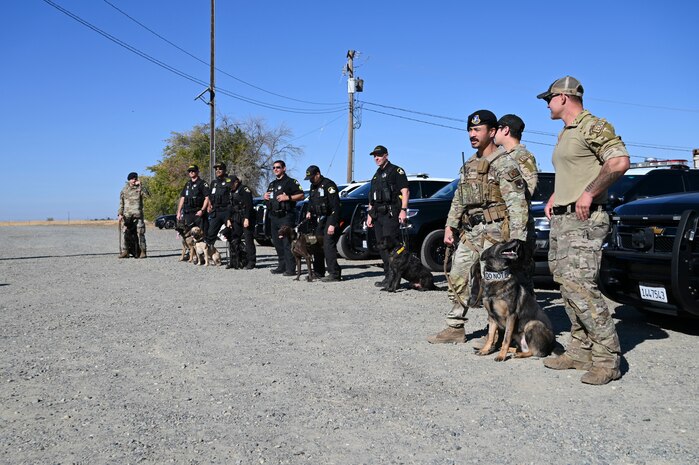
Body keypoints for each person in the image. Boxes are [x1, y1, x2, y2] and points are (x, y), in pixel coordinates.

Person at [537, 75, 629, 385]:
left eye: (548, 98)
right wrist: (556, 196)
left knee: (582, 288)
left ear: (563, 97)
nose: (546, 104)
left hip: (586, 220)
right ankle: (579, 351)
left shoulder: (592, 125)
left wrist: (589, 192)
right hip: (564, 219)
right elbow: (574, 171)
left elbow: (618, 162)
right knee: (566, 285)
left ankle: (607, 359)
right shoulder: (565, 133)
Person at [427, 110, 529, 344]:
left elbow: (517, 203)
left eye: (477, 130)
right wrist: (450, 226)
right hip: (471, 232)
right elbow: (459, 198)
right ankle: (455, 327)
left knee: (494, 283)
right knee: (458, 275)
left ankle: (501, 332)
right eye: (470, 130)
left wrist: (517, 239)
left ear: (492, 132)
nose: (472, 134)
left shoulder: (504, 163)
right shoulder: (469, 164)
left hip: (495, 233)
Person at [494, 114, 538, 292]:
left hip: (519, 225)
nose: (493, 133)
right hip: (503, 224)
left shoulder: (522, 156)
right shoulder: (501, 156)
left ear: (505, 130)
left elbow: (529, 189)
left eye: (496, 129)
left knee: (521, 276)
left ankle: (528, 315)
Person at [365, 145, 409, 287]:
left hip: (391, 214)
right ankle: (387, 276)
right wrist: (370, 215)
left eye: (379, 155)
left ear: (386, 155)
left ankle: (394, 278)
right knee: (382, 247)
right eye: (374, 156)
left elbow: (405, 191)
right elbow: (372, 197)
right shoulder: (376, 174)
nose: (376, 158)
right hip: (378, 214)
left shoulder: (396, 171)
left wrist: (403, 210)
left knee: (391, 247)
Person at [264, 160, 304, 275]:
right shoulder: (272, 184)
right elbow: (268, 199)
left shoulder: (290, 182)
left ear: (284, 168)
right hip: (274, 216)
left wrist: (288, 197)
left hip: (286, 216)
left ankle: (291, 269)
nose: (276, 169)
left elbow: (301, 195)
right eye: (274, 168)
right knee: (277, 243)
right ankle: (282, 266)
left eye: (278, 167)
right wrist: (265, 197)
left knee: (287, 243)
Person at [304, 165, 342, 282]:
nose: (310, 180)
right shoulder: (313, 186)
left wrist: (332, 224)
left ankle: (334, 273)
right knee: (315, 243)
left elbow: (336, 206)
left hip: (330, 217)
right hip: (320, 219)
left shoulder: (329, 185)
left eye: (312, 177)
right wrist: (309, 211)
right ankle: (318, 272)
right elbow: (311, 201)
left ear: (318, 174)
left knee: (328, 244)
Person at [227, 175, 257, 269]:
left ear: (236, 182)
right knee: (234, 239)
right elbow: (230, 206)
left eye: (231, 184)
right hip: (236, 217)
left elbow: (249, 205)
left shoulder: (244, 189)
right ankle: (235, 261)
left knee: (248, 239)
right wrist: (228, 219)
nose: (230, 186)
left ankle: (251, 262)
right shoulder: (231, 191)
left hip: (246, 216)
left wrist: (247, 218)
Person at [206, 162, 234, 252]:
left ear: (224, 170)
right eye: (216, 169)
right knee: (210, 234)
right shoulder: (214, 183)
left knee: (231, 234)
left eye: (220, 169)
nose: (218, 171)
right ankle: (209, 254)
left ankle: (235, 256)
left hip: (227, 210)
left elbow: (233, 195)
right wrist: (209, 205)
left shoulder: (229, 181)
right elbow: (210, 196)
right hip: (216, 211)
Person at [117, 172, 147, 258]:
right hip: (127, 217)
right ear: (129, 180)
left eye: (135, 178)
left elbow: (148, 196)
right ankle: (125, 251)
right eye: (132, 178)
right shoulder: (124, 190)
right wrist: (120, 214)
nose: (134, 180)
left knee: (140, 233)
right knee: (126, 234)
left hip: (138, 216)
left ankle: (142, 251)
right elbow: (121, 203)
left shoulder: (140, 188)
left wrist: (141, 186)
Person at [176, 164, 210, 234]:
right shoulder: (187, 184)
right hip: (188, 213)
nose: (191, 172)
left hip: (198, 213)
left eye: (193, 171)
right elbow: (182, 198)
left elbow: (207, 198)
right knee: (188, 234)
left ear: (197, 172)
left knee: (200, 234)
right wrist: (179, 212)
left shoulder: (203, 184)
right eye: (189, 171)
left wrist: (202, 210)